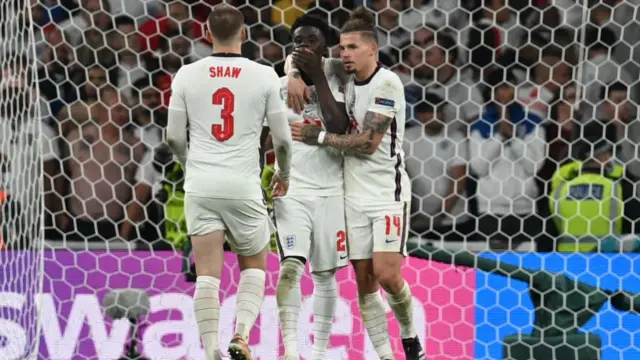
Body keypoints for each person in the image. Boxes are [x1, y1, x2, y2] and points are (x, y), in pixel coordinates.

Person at [287, 7, 425, 360]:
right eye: (342, 47)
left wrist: (318, 138)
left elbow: (367, 143)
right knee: (365, 286)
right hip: (352, 197)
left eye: (351, 47)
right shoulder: (343, 77)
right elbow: (301, 59)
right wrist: (293, 75)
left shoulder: (387, 83)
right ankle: (386, 356)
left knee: (387, 275)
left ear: (372, 50)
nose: (343, 53)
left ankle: (411, 338)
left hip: (387, 195)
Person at [165, 4, 293, 360]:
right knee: (254, 265)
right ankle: (240, 335)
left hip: (201, 185)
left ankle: (210, 351)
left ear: (207, 34)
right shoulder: (265, 75)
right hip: (243, 184)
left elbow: (174, 136)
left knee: (207, 274)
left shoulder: (187, 74)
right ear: (244, 34)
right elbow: (282, 140)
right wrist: (283, 174)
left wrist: (190, 164)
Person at [270, 14, 348, 360]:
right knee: (290, 267)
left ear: (326, 47)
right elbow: (262, 136)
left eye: (311, 40)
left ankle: (318, 353)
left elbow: (339, 127)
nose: (303, 47)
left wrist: (314, 75)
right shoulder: (278, 84)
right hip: (292, 191)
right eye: (297, 41)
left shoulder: (343, 76)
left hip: (332, 189)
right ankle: (289, 350)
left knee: (325, 275)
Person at [549, 120, 640, 252]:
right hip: (608, 261)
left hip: (567, 261)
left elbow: (548, 234)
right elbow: (634, 227)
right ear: (601, 157)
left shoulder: (561, 189)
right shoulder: (617, 188)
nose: (611, 158)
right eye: (608, 153)